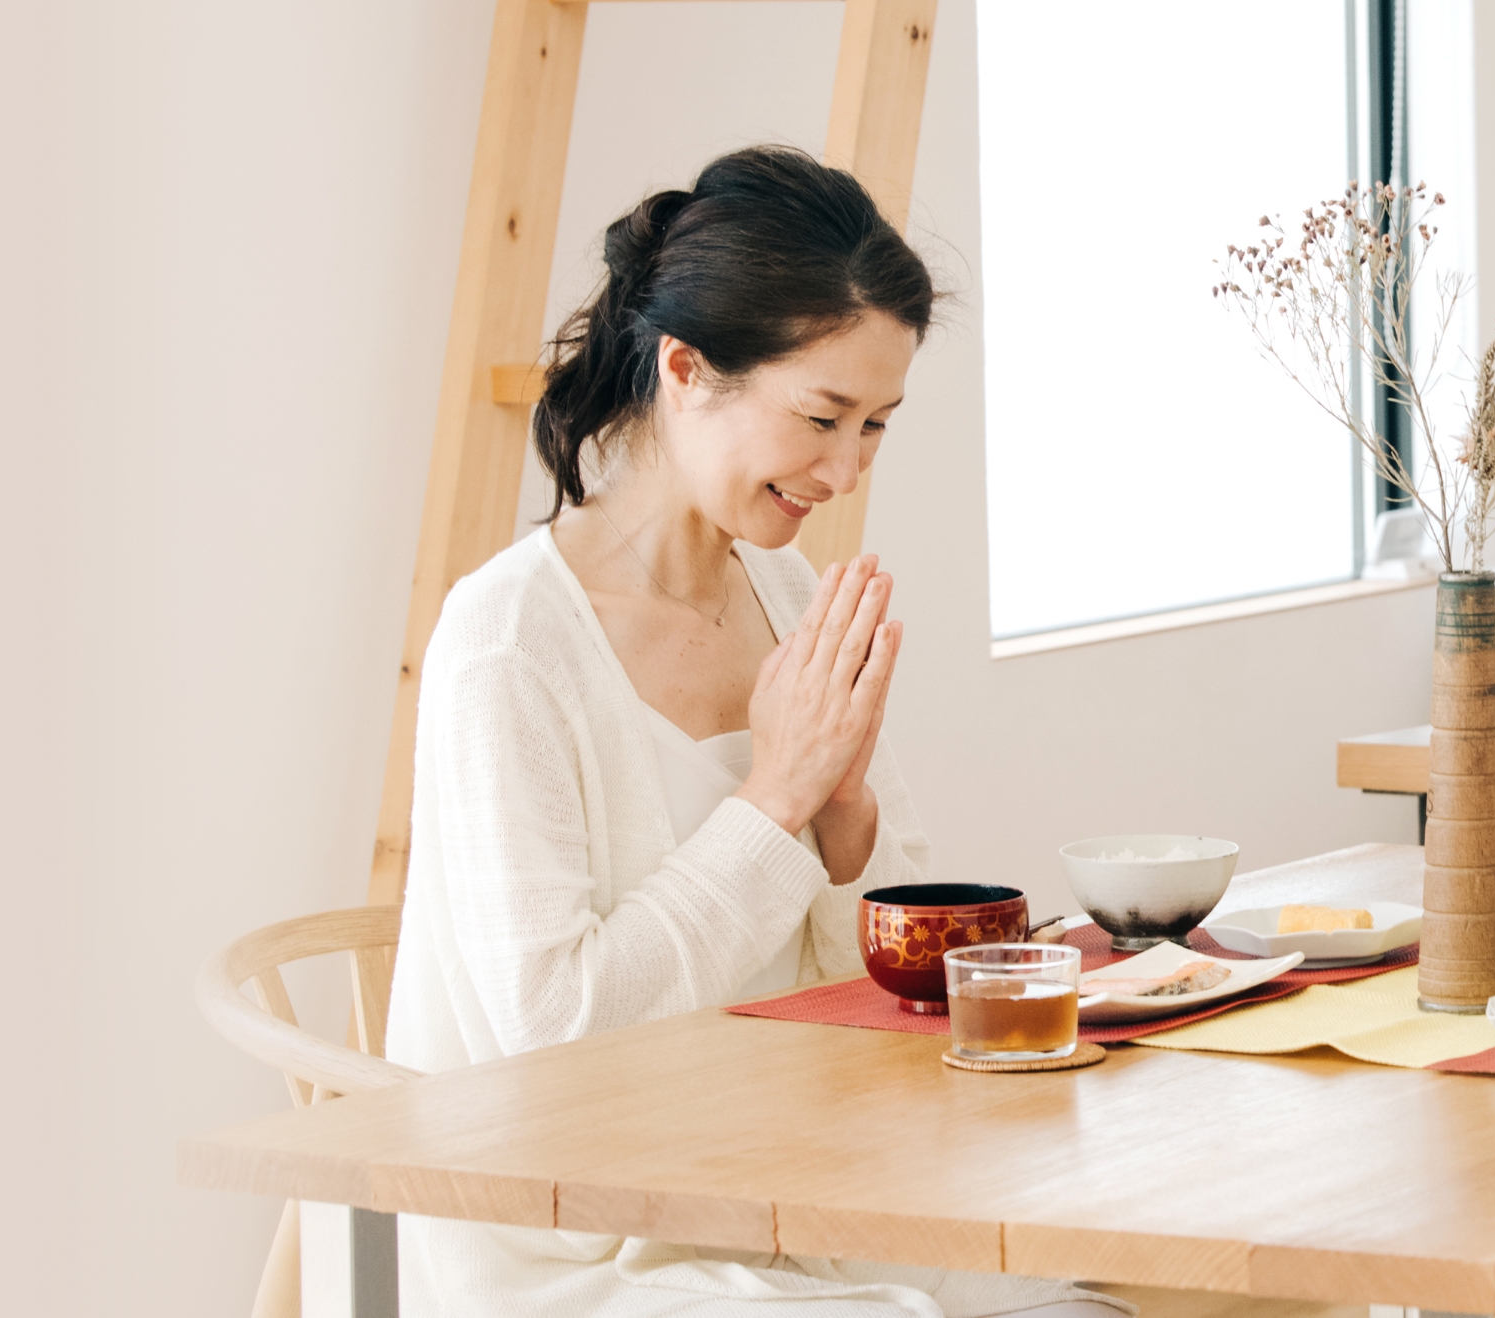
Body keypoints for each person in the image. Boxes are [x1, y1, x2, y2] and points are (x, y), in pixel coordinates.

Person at [382, 146, 1128, 1318]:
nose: (843, 469)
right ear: (686, 368)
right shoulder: (508, 642)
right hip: (572, 1240)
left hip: (792, 1188)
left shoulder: (784, 594)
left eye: (876, 425)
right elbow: (562, 1036)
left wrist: (845, 816)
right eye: (822, 415)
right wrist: (778, 794)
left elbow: (860, 985)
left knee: (1107, 1288)